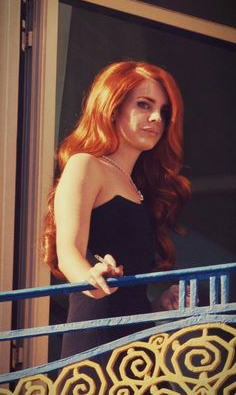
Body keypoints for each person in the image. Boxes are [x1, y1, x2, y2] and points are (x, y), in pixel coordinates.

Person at [42, 60, 191, 361]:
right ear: (112, 106)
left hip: (139, 351)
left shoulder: (138, 189)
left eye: (163, 111)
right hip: (95, 345)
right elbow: (68, 251)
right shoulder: (86, 164)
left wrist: (160, 304)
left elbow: (127, 301)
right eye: (143, 104)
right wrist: (90, 276)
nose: (156, 118)